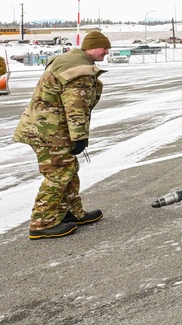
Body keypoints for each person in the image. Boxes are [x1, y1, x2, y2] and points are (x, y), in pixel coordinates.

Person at [12, 30, 111, 239]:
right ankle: (42, 223)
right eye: (104, 48)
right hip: (48, 130)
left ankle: (69, 213)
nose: (107, 52)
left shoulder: (70, 60)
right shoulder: (79, 69)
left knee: (69, 168)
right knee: (58, 173)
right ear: (91, 47)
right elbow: (76, 106)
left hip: (48, 127)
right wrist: (79, 137)